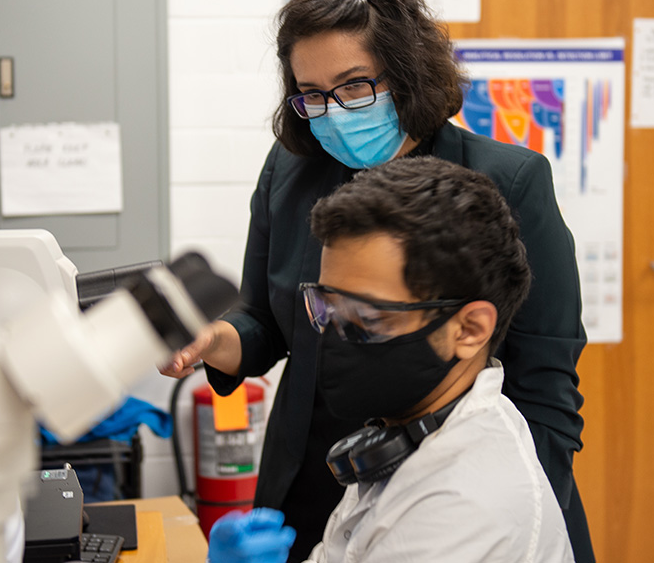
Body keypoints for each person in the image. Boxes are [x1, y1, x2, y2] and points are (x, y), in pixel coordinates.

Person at [161, 0, 591, 562]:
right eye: (311, 94)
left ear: (406, 74)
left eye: (355, 86)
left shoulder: (504, 181)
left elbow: (546, 385)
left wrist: (506, 517)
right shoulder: (293, 171)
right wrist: (217, 339)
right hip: (322, 469)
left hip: (453, 489)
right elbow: (264, 316)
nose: (332, 111)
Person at [208, 156, 575, 562]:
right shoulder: (410, 431)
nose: (334, 336)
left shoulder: (461, 507)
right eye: (328, 307)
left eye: (367, 318)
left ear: (469, 329)